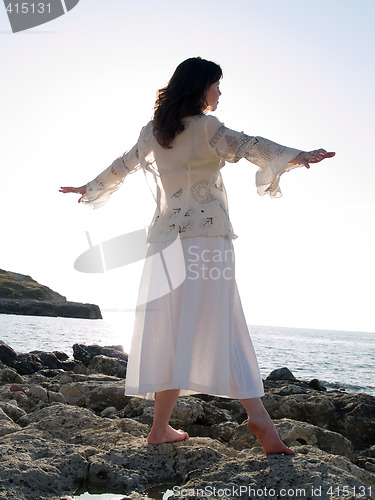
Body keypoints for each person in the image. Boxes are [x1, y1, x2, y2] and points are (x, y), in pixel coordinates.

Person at [60, 57, 335, 454]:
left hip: (164, 241)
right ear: (200, 86)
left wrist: (87, 188)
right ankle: (257, 416)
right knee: (221, 320)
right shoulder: (207, 128)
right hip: (206, 238)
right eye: (217, 85)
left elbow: (121, 167)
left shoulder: (153, 132)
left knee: (172, 326)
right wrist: (298, 155)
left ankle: (159, 428)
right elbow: (249, 146)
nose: (220, 93)